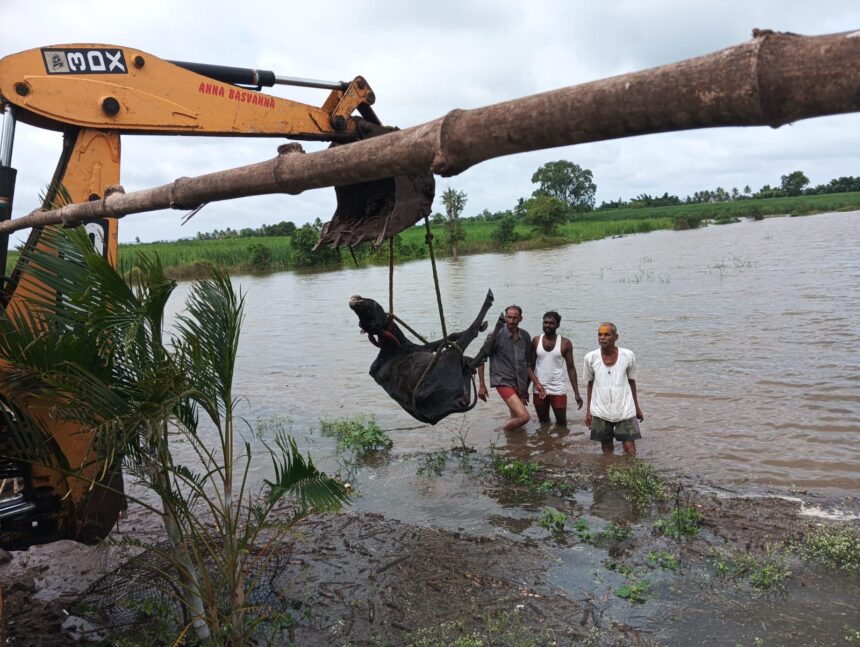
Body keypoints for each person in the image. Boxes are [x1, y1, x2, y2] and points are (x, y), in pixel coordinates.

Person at [583, 322, 644, 456]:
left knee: (630, 450)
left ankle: (631, 475)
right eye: (600, 334)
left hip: (625, 408)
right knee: (606, 449)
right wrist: (588, 411)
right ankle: (608, 474)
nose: (602, 338)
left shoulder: (628, 356)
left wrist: (637, 408)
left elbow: (632, 381)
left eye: (606, 334)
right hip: (600, 409)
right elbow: (590, 384)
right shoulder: (590, 358)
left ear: (616, 337)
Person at [476, 305, 541, 431]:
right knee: (524, 417)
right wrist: (482, 385)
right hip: (503, 381)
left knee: (516, 420)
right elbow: (481, 359)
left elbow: (527, 365)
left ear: (520, 319)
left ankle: (514, 446)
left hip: (520, 382)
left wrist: (535, 383)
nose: (511, 321)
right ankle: (499, 432)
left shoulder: (525, 336)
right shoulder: (496, 335)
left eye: (514, 318)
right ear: (505, 317)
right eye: (508, 317)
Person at [531, 311, 583, 425]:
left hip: (558, 388)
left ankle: (559, 442)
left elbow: (571, 368)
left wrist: (577, 393)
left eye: (551, 323)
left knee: (561, 424)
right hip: (539, 388)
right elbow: (530, 366)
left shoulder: (565, 343)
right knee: (543, 423)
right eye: (545, 322)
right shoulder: (535, 341)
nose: (547, 325)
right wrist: (525, 389)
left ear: (557, 325)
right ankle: (547, 442)